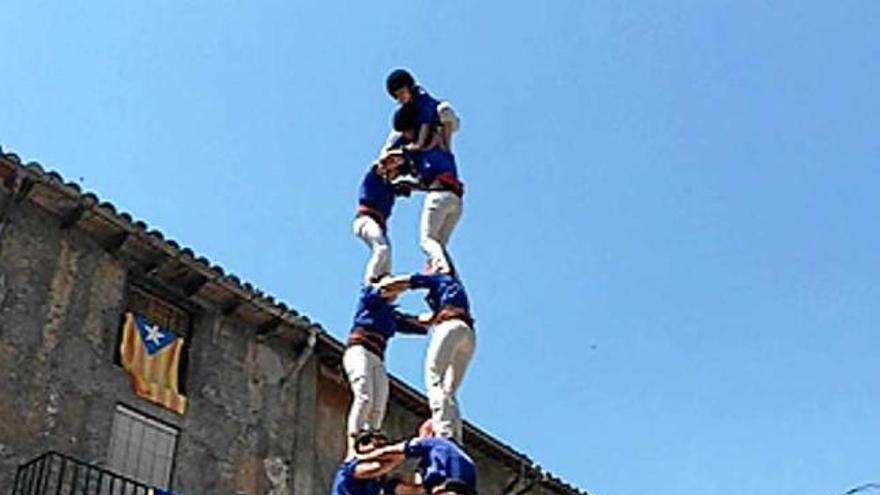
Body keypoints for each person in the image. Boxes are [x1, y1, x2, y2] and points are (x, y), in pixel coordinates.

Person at [379, 270, 475, 443]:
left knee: (434, 378)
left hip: (449, 325)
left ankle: (444, 432)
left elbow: (405, 282)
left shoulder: (439, 278)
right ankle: (455, 435)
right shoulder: (449, 292)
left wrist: (381, 288)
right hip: (468, 334)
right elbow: (425, 321)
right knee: (449, 390)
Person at [343, 282, 428, 454]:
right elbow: (381, 287)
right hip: (360, 350)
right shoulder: (370, 299)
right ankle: (354, 441)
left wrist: (442, 315)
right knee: (364, 396)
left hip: (377, 356)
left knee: (379, 403)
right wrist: (408, 283)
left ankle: (371, 436)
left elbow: (418, 323)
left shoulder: (391, 315)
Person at [393, 104, 464, 275]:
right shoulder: (440, 145)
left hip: (439, 196)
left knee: (427, 240)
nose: (406, 136)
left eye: (407, 131)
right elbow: (428, 182)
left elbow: (444, 115)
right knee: (438, 246)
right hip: (455, 200)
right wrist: (411, 185)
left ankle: (443, 270)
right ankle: (449, 278)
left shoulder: (429, 143)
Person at [354, 148, 411, 284]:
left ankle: (382, 282)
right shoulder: (374, 176)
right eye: (396, 172)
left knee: (386, 258)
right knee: (382, 248)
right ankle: (369, 281)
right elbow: (380, 164)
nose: (396, 176)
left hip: (377, 224)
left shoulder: (390, 189)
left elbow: (410, 186)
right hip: (365, 220)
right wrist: (398, 156)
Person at [359, 430, 477, 495]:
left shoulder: (429, 443)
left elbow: (389, 452)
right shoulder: (462, 458)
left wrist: (361, 457)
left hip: (450, 487)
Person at [386, 68, 460, 152]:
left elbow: (425, 122)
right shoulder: (405, 109)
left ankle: (446, 148)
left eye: (402, 92)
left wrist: (418, 144)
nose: (401, 97)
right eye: (397, 95)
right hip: (418, 130)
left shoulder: (422, 98)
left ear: (409, 88)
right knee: (396, 132)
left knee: (445, 109)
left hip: (436, 123)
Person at [331, 431, 404, 495]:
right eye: (366, 442)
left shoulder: (378, 477)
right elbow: (379, 466)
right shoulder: (352, 467)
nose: (372, 447)